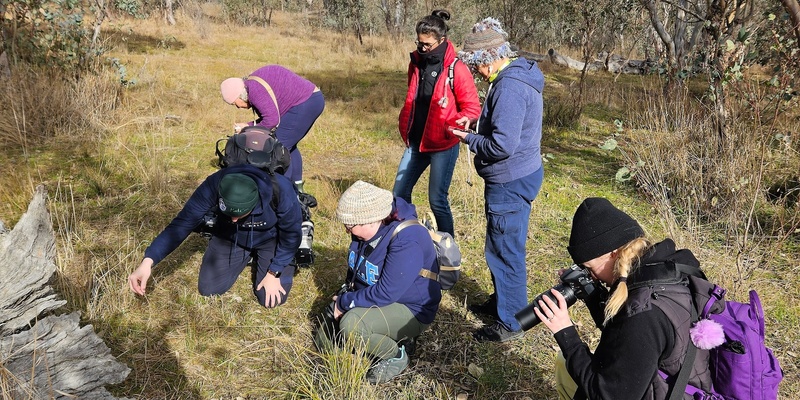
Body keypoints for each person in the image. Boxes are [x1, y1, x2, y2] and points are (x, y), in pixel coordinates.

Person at [533, 197, 717, 399]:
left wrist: (565, 334)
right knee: (564, 363)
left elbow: (608, 394)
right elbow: (623, 333)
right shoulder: (665, 272)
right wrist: (591, 294)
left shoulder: (644, 314)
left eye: (589, 268)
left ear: (613, 253)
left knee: (564, 365)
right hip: (675, 385)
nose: (590, 275)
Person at [452, 17, 545, 342]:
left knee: (506, 250)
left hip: (510, 180)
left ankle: (512, 322)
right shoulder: (517, 77)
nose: (476, 71)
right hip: (520, 174)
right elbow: (505, 125)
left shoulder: (509, 88)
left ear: (490, 58)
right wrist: (477, 122)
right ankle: (503, 302)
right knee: (499, 244)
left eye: (477, 65)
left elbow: (502, 145)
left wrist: (467, 137)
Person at [314, 180, 442, 384]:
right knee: (325, 343)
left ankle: (396, 354)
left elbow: (386, 293)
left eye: (350, 226)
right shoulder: (365, 230)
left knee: (352, 326)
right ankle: (381, 334)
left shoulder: (407, 239)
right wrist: (345, 295)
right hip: (375, 295)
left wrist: (345, 302)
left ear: (371, 220)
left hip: (410, 307)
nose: (348, 231)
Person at [128, 164, 302, 308]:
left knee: (271, 299)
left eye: (240, 215)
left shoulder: (281, 190)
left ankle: (274, 261)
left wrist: (274, 271)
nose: (234, 219)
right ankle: (247, 256)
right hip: (230, 236)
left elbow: (291, 235)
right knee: (208, 289)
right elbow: (182, 224)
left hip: (270, 238)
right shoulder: (214, 185)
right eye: (229, 213)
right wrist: (148, 261)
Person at [393, 9, 481, 237]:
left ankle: (447, 247)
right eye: (419, 43)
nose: (422, 49)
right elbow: (412, 95)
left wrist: (459, 123)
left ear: (442, 41)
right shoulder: (416, 63)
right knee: (399, 194)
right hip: (416, 142)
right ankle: (408, 239)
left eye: (428, 45)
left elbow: (472, 108)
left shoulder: (456, 69)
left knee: (437, 200)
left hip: (442, 145)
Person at [220, 65, 325, 190]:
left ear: (239, 95)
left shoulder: (255, 92)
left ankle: (285, 192)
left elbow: (271, 122)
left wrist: (248, 130)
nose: (237, 107)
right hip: (311, 99)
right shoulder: (252, 85)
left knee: (279, 150)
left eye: (234, 103)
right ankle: (297, 190)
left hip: (305, 103)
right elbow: (270, 116)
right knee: (288, 146)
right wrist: (249, 125)